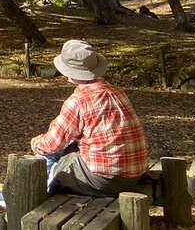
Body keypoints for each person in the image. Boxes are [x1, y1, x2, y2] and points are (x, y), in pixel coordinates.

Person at [31, 39, 148, 196]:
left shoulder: (78, 101)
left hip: (105, 180)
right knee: (71, 147)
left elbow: (51, 143)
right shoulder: (117, 92)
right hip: (135, 174)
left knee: (61, 164)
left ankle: (29, 195)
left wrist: (36, 143)